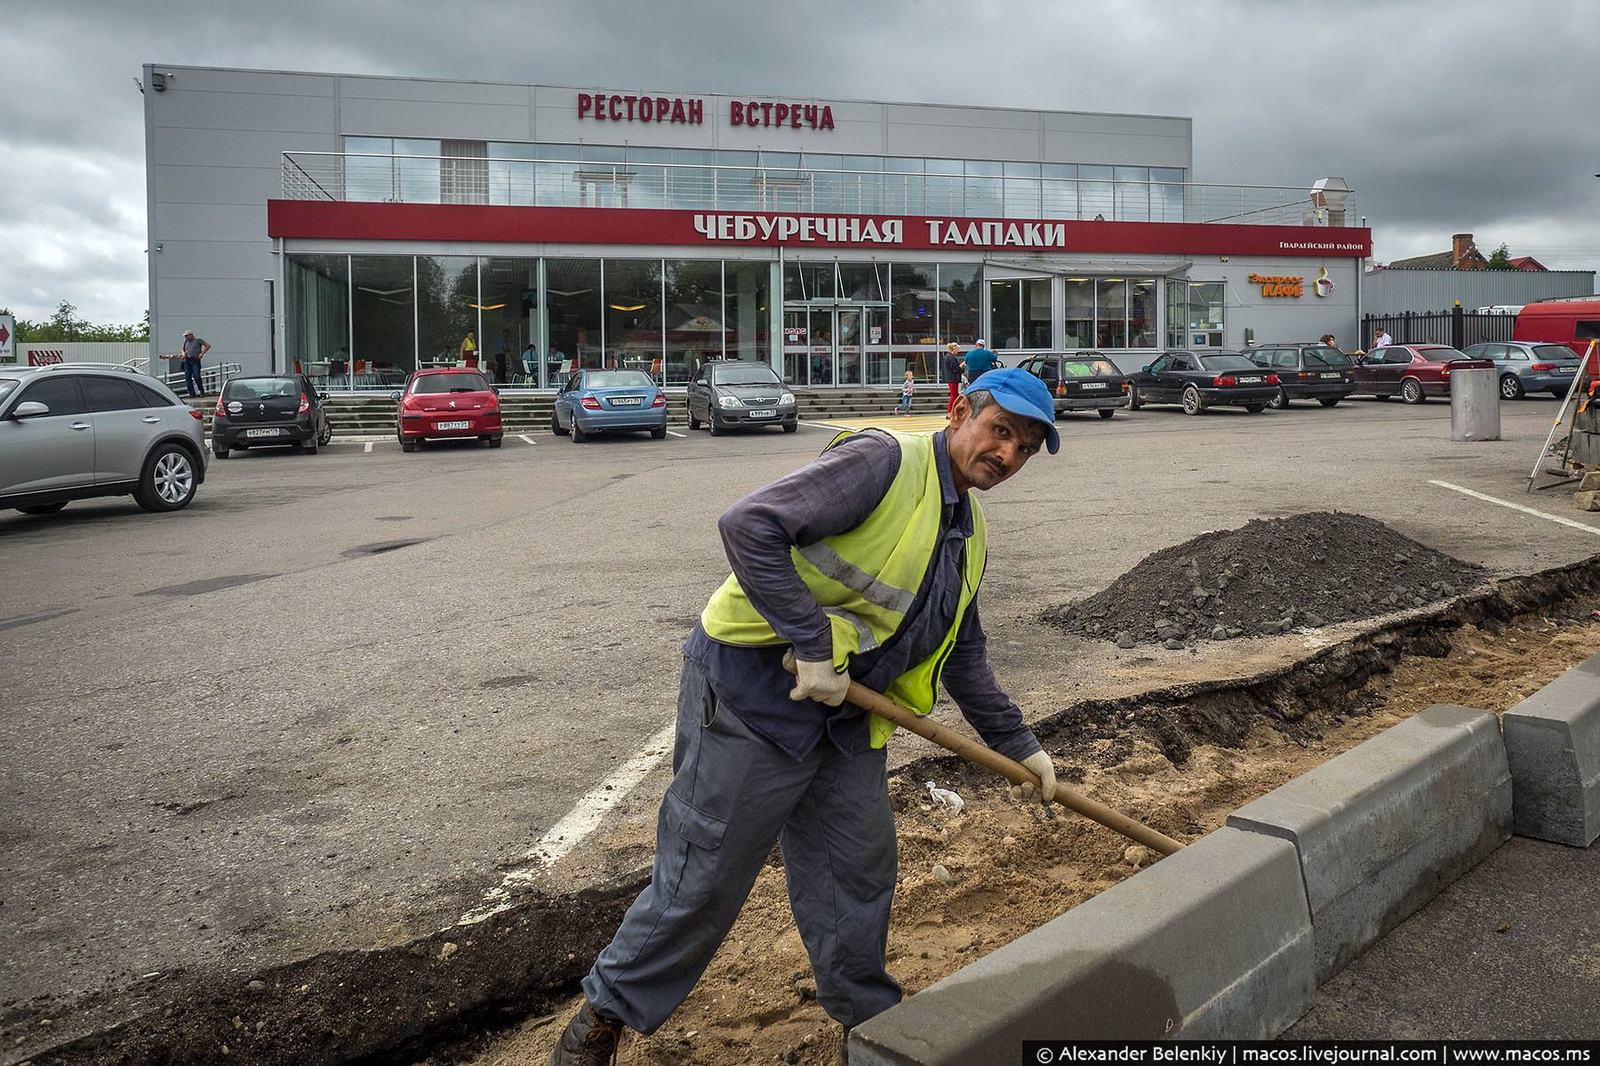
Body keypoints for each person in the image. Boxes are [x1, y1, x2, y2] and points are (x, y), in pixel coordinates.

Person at [548, 368, 1063, 1066]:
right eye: (1001, 431)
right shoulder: (884, 462)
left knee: (857, 872)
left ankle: (870, 1028)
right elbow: (748, 524)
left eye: (1026, 448)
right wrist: (813, 644)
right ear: (958, 411)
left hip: (845, 722)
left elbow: (961, 651)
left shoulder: (967, 532)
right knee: (703, 877)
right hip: (753, 701)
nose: (1008, 455)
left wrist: (1019, 744)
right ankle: (601, 1021)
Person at [179, 329, 210, 398]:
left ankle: (201, 391)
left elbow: (207, 345)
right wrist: (183, 354)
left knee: (197, 376)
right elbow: (182, 349)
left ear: (191, 335)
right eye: (185, 336)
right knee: (188, 377)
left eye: (187, 336)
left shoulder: (198, 340)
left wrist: (202, 353)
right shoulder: (186, 342)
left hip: (195, 360)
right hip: (187, 360)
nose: (186, 337)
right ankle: (192, 393)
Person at [942, 342, 964, 414]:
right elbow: (955, 369)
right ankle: (950, 411)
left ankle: (952, 410)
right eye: (957, 349)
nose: (958, 351)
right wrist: (961, 365)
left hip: (950, 378)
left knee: (954, 395)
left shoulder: (947, 356)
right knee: (954, 395)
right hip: (953, 378)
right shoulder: (951, 357)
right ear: (954, 349)